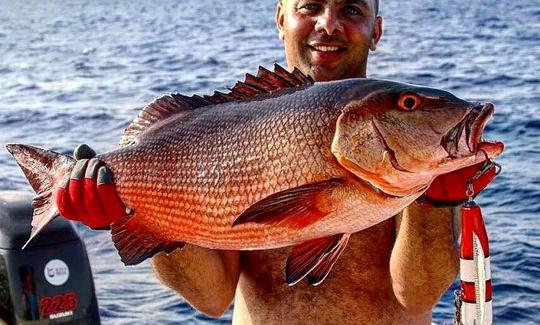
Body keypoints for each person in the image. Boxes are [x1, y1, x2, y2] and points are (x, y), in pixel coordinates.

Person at [57, 0, 497, 323]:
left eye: (351, 10)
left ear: (376, 30)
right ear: (281, 18)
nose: (329, 24)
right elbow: (210, 298)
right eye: (311, 7)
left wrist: (437, 206)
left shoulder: (417, 157)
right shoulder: (224, 129)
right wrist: (145, 217)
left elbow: (416, 297)